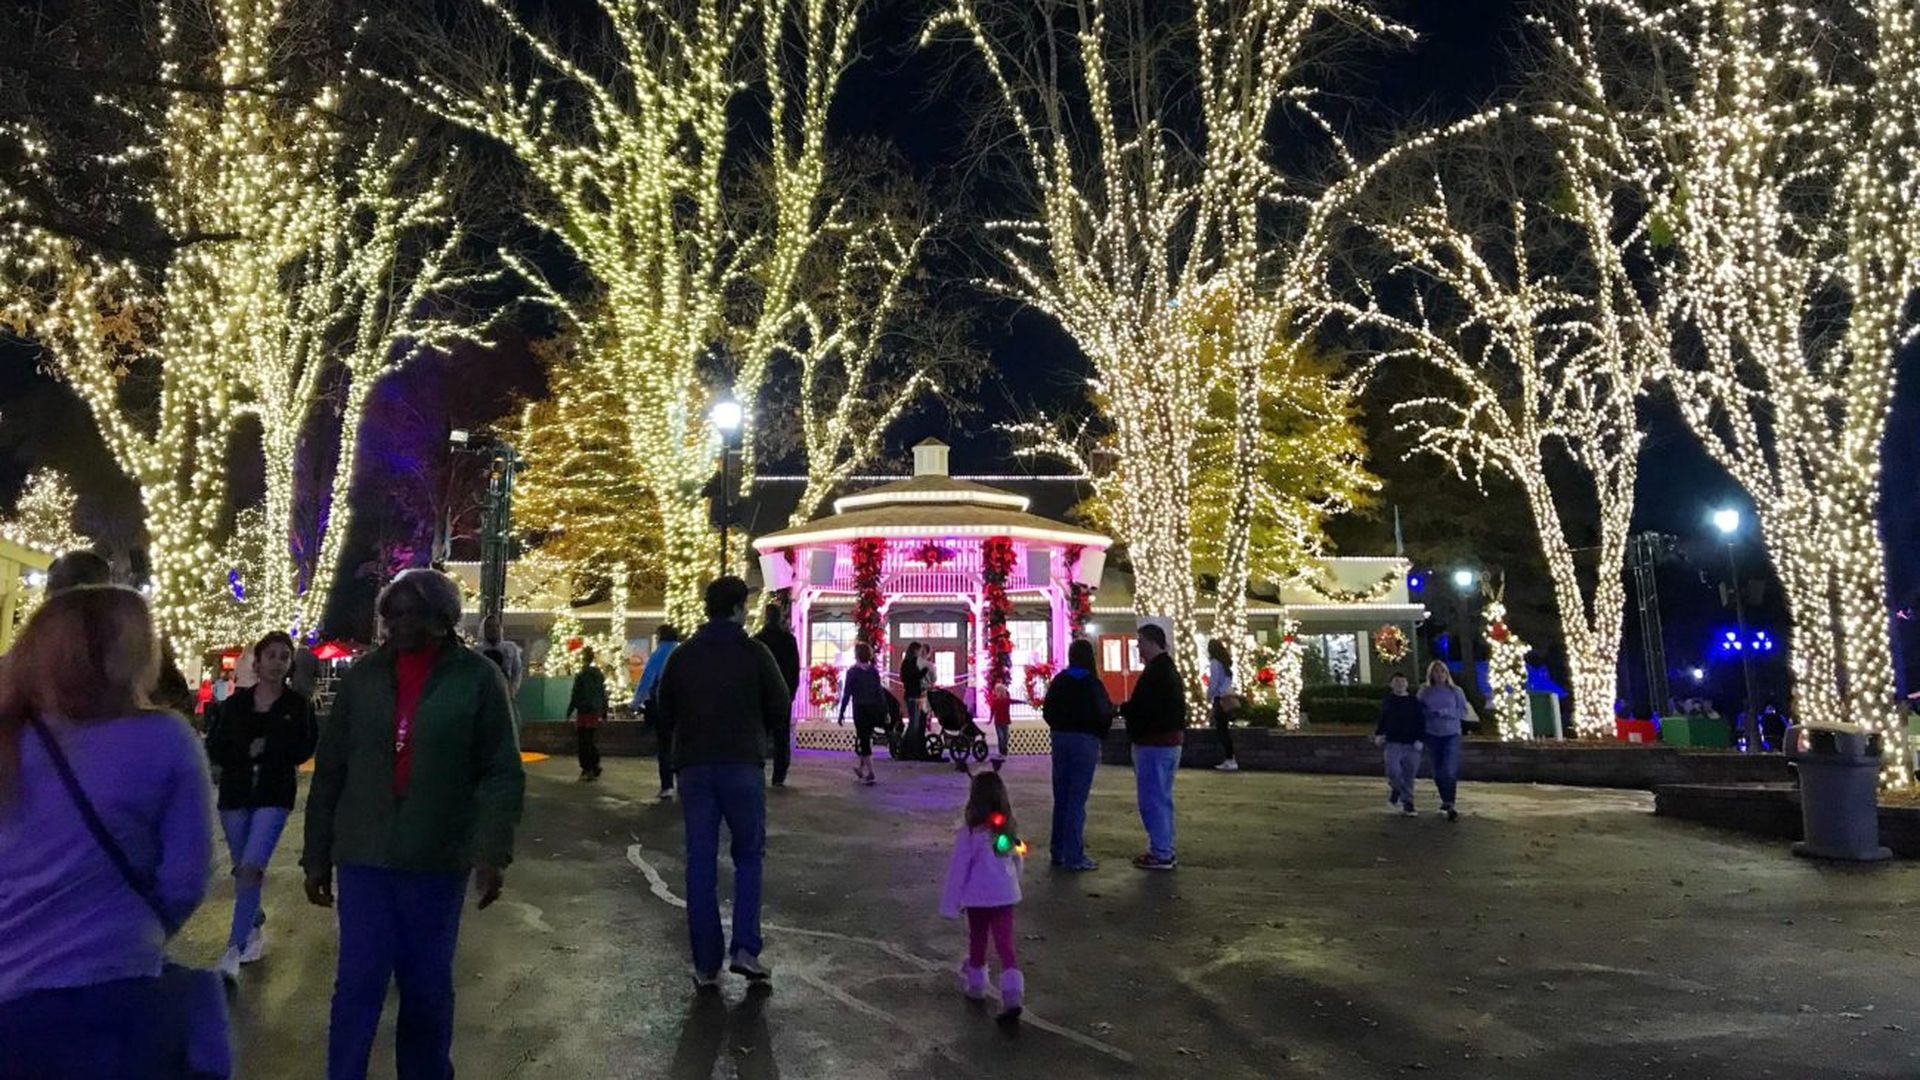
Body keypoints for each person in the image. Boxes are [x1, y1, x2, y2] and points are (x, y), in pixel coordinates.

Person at [302, 568, 525, 1080]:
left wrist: (493, 851)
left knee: (426, 986)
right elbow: (331, 768)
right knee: (357, 983)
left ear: (443, 619)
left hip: (436, 856)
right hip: (365, 856)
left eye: (412, 613)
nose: (398, 624)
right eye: (391, 614)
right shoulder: (363, 677)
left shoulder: (477, 678)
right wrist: (316, 854)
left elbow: (499, 771)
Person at [0, 586, 218, 1078]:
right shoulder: (165, 740)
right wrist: (133, 927)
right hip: (118, 992)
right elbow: (186, 876)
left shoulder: (9, 736)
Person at [656, 576, 789, 990]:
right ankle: (745, 948)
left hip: (695, 766)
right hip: (742, 765)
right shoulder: (755, 653)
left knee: (700, 860)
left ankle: (705, 962)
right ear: (737, 608)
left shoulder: (683, 656)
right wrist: (757, 732)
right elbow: (781, 703)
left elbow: (665, 709)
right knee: (748, 855)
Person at [205, 630, 319, 982]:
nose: (277, 663)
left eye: (284, 657)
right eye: (271, 655)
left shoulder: (297, 706)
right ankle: (253, 920)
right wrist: (244, 752)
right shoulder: (235, 705)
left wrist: (269, 751)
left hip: (273, 794)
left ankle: (233, 951)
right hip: (236, 795)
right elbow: (217, 745)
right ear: (257, 661)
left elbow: (304, 748)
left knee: (252, 868)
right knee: (242, 870)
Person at [938, 770, 1027, 1022]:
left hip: (978, 898)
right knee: (1005, 944)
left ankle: (976, 985)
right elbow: (1018, 861)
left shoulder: (968, 835)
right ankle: (1012, 994)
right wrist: (1012, 884)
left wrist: (951, 904)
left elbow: (958, 870)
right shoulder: (1007, 832)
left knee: (978, 940)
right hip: (1005, 897)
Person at [1042, 638, 1112, 871]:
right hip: (1085, 739)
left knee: (1061, 796)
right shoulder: (1092, 683)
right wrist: (1100, 733)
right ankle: (1074, 855)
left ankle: (1058, 849)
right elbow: (1104, 712)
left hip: (1061, 738)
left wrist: (1058, 727)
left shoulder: (1060, 680)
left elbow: (1048, 710)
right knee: (1077, 799)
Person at [1121, 622, 1186, 871]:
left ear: (1150, 642)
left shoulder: (1156, 674)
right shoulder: (1167, 671)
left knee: (1152, 798)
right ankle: (1163, 847)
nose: (1138, 648)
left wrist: (1124, 711)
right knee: (1161, 797)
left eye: (1140, 643)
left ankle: (1161, 851)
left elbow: (1144, 708)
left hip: (1154, 743)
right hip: (1167, 742)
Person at [752, 602, 801, 787]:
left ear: (766, 617)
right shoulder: (788, 640)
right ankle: (779, 776)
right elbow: (794, 668)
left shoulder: (758, 640)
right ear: (780, 617)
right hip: (782, 694)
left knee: (760, 734)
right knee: (781, 737)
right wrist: (791, 692)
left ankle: (757, 769)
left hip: (762, 695)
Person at [633, 626, 682, 800]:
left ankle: (667, 785)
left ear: (660, 637)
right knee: (683, 744)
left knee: (665, 746)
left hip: (664, 705)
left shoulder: (658, 654)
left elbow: (647, 680)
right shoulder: (684, 651)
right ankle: (684, 781)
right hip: (685, 707)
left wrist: (635, 703)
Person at [1417, 660, 1468, 821]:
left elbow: (1463, 711)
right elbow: (1417, 710)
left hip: (1451, 734)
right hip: (1432, 734)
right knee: (1438, 772)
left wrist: (1446, 712)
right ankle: (1444, 799)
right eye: (1436, 672)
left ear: (1447, 674)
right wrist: (1428, 714)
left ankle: (1450, 802)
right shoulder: (1425, 691)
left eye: (1442, 672)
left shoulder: (1455, 691)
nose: (1439, 675)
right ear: (1431, 674)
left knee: (1449, 769)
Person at [1372, 672, 1424, 816]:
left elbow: (1420, 721)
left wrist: (1420, 739)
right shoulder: (1388, 701)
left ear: (1407, 684)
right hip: (1393, 742)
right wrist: (1379, 734)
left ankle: (1408, 803)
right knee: (1393, 772)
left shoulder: (1414, 701)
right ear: (1391, 684)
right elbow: (1383, 719)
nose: (1400, 684)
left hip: (1411, 744)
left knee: (1409, 774)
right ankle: (1398, 791)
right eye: (1396, 681)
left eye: (1402, 681)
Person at [838, 643, 887, 785]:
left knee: (863, 739)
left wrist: (842, 712)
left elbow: (847, 694)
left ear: (857, 655)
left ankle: (871, 772)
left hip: (860, 708)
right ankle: (860, 767)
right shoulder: (873, 672)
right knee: (865, 737)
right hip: (873, 708)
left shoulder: (852, 672)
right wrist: (885, 711)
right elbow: (879, 692)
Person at [567, 648, 609, 781]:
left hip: (583, 710)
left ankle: (587, 767)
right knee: (590, 738)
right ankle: (595, 765)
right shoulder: (598, 675)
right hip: (594, 711)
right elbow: (603, 693)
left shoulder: (581, 674)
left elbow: (575, 694)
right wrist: (604, 710)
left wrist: (569, 711)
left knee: (583, 740)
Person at [1207, 638, 1239, 772]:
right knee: (1224, 729)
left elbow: (1214, 682)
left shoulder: (1215, 663)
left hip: (1220, 699)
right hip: (1227, 697)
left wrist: (1208, 695)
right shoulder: (1225, 664)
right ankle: (1230, 759)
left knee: (1222, 730)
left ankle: (1229, 759)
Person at [478, 615, 524, 697]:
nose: (494, 629)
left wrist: (512, 691)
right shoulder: (477, 651)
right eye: (489, 626)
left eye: (497, 626)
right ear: (483, 630)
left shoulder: (511, 648)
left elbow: (517, 671)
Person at [900, 642, 928, 754]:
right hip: (913, 695)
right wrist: (923, 672)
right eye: (918, 651)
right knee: (914, 723)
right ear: (914, 651)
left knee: (914, 722)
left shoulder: (907, 663)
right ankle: (906, 748)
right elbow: (913, 677)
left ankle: (908, 747)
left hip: (912, 695)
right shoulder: (910, 663)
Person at [988, 679, 1012, 762]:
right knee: (1001, 737)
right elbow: (992, 711)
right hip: (998, 722)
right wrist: (990, 720)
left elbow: (1014, 701)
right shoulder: (995, 701)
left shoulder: (1006, 700)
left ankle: (1004, 751)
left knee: (1005, 737)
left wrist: (1023, 702)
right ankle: (1001, 752)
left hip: (1005, 721)